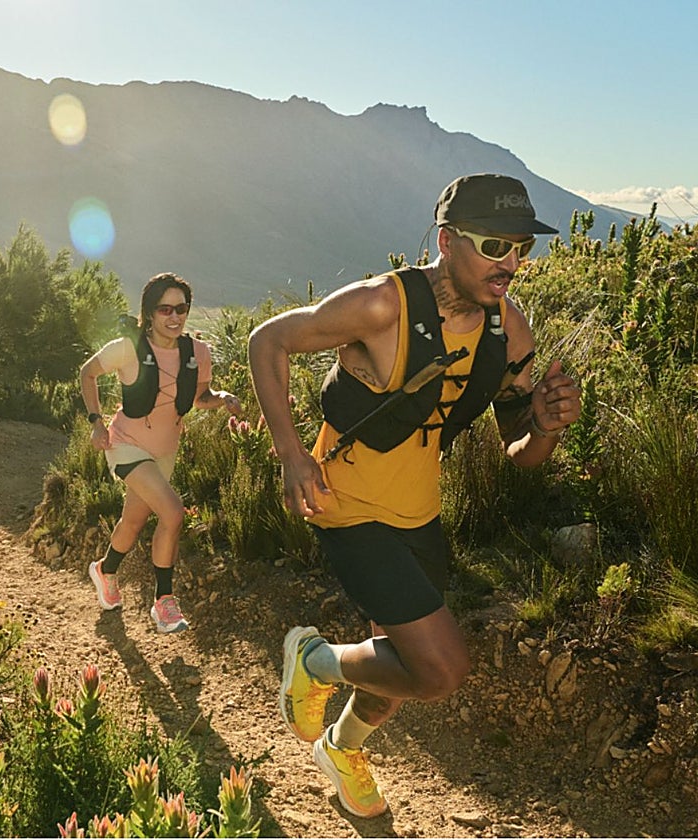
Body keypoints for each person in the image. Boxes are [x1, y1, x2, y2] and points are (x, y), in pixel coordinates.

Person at [248, 174, 581, 818]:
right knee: (440, 669)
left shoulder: (508, 332)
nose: (510, 264)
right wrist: (291, 453)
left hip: (419, 514)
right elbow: (269, 340)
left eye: (521, 248)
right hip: (346, 506)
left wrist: (543, 426)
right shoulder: (384, 305)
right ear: (447, 241)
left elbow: (520, 452)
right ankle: (314, 660)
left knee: (394, 668)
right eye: (494, 246)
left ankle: (341, 749)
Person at [80, 272, 242, 633]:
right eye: (165, 309)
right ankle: (164, 602)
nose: (174, 316)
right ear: (149, 313)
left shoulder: (197, 352)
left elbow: (200, 398)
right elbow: (87, 374)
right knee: (172, 511)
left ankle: (105, 570)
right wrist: (96, 423)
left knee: (133, 522)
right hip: (125, 444)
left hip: (165, 451)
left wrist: (223, 398)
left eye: (181, 309)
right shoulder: (128, 347)